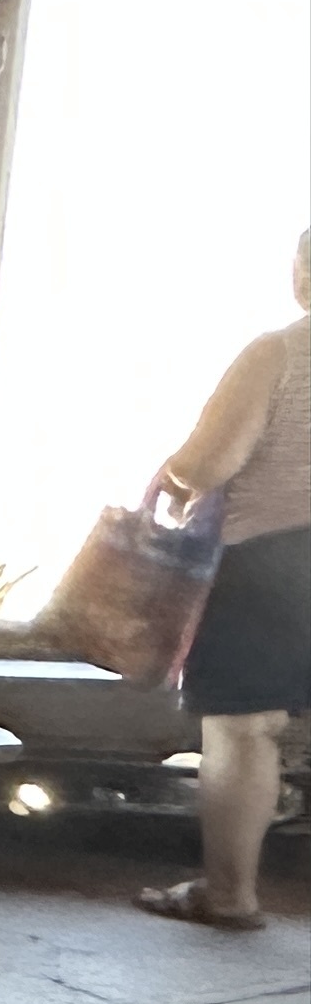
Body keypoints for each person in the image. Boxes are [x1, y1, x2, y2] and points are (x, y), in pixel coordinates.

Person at [140, 233, 311, 929]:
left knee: (246, 729)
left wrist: (172, 475)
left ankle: (230, 895)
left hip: (276, 559)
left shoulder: (279, 354)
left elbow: (209, 462)